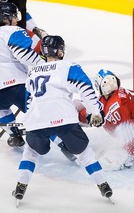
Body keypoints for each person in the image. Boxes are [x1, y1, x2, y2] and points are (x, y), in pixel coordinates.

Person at [12, 35, 113, 204]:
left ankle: (20, 186)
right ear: (59, 51)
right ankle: (103, 185)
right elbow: (85, 88)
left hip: (36, 122)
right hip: (64, 119)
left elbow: (29, 103)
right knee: (84, 154)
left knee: (30, 152)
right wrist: (95, 112)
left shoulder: (32, 72)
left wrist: (31, 123)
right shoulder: (67, 66)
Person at [0, 1, 45, 147]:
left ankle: (13, 135)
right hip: (16, 86)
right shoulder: (13, 31)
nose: (17, 20)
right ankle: (65, 146)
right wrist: (45, 64)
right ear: (6, 19)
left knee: (0, 108)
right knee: (42, 116)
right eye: (14, 17)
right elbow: (24, 55)